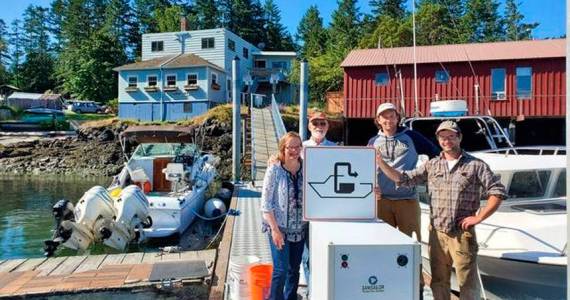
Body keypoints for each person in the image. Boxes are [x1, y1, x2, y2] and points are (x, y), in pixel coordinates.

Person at [376, 120, 507, 300]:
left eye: (451, 136)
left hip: (462, 234)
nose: (447, 141)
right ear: (438, 140)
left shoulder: (476, 165)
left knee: (467, 282)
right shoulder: (432, 165)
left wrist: (478, 218)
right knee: (438, 281)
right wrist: (381, 163)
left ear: (459, 137)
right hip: (437, 234)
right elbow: (404, 179)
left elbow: (497, 191)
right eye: (443, 137)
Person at [261, 132, 306, 300]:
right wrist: (274, 229)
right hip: (279, 229)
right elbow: (266, 204)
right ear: (283, 148)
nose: (294, 150)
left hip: (299, 229)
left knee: (294, 269)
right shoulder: (274, 169)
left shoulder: (306, 168)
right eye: (290, 147)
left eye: (297, 146)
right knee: (280, 270)